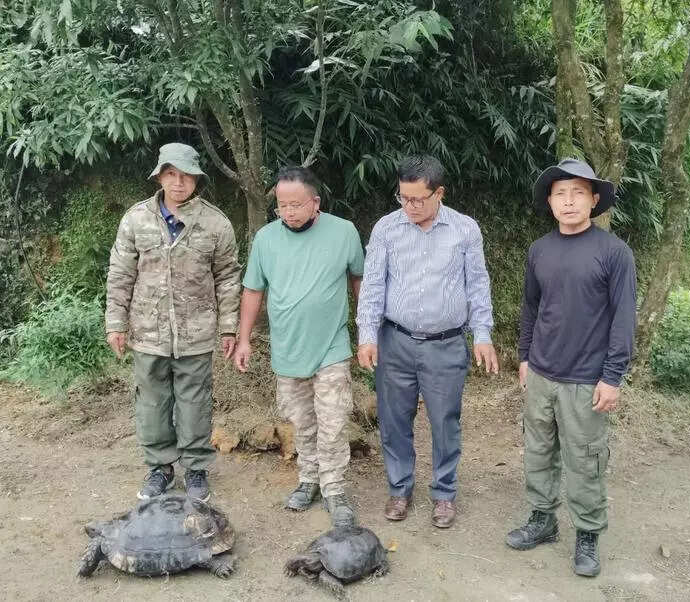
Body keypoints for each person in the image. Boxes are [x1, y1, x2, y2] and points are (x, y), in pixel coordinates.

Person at [505, 158, 637, 577]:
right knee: (539, 451)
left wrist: (612, 377)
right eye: (560, 193)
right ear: (550, 201)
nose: (568, 201)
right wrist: (524, 357)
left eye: (578, 192)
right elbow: (530, 306)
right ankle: (543, 520)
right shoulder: (540, 250)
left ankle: (587, 533)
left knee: (585, 460)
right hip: (542, 372)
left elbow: (622, 319)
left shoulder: (614, 253)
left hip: (586, 379)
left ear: (594, 200)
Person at [356, 154, 498, 529]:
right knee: (393, 419)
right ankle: (399, 488)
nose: (409, 206)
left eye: (418, 199)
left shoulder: (465, 230)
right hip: (396, 341)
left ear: (439, 193)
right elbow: (372, 286)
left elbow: (478, 285)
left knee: (444, 421)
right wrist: (367, 335)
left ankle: (444, 494)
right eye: (403, 197)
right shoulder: (386, 229)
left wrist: (482, 335)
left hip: (446, 345)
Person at [105, 142, 241, 502]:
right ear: (159, 176)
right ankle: (160, 469)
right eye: (170, 174)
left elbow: (228, 276)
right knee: (151, 402)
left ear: (197, 179)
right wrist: (115, 323)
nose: (178, 183)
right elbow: (120, 274)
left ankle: (195, 470)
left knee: (194, 402)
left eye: (185, 176)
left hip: (196, 332)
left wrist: (229, 327)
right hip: (147, 333)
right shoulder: (136, 219)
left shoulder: (216, 223)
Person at [233, 166, 364, 527]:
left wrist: (367, 331)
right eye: (281, 206)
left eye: (296, 204)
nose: (288, 212)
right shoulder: (265, 239)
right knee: (302, 421)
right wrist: (244, 339)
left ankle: (335, 489)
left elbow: (359, 280)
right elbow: (253, 290)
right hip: (288, 348)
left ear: (315, 202)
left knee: (334, 420)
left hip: (331, 346)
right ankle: (309, 480)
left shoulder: (343, 232)